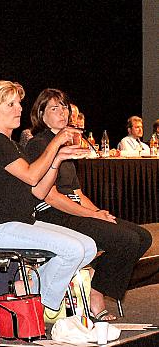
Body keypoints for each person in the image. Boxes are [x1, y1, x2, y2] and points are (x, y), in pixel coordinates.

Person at [25, 88, 152, 320]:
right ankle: (96, 294)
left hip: (73, 210)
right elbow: (49, 196)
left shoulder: (66, 143)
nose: (62, 112)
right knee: (126, 239)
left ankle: (96, 279)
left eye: (64, 107)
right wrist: (90, 215)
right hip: (52, 214)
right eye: (55, 108)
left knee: (143, 237)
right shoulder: (39, 145)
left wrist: (97, 211)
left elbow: (76, 192)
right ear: (41, 114)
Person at [0, 80, 97, 312]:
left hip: (20, 223)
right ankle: (39, 307)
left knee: (88, 246)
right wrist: (56, 143)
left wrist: (58, 158)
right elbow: (32, 176)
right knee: (73, 250)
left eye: (19, 103)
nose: (19, 109)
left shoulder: (12, 145)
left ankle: (29, 287)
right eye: (10, 104)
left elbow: (38, 191)